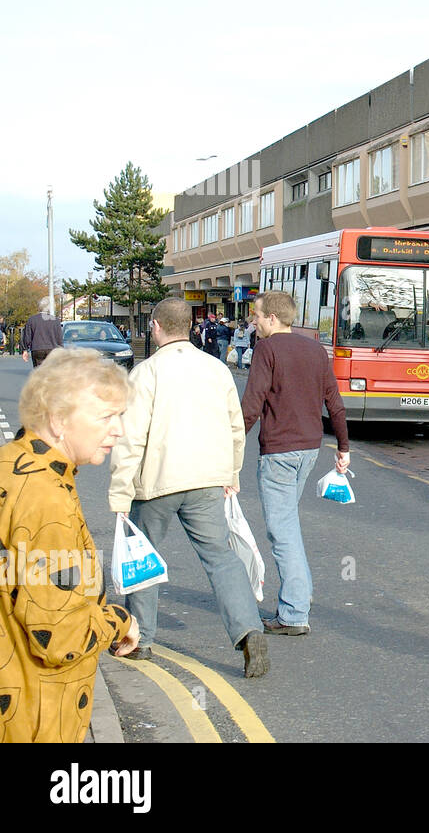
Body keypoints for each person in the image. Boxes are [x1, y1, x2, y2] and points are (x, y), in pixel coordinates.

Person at [108, 297, 269, 677]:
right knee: (221, 558)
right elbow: (236, 426)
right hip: (207, 480)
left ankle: (141, 639)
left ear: (157, 327)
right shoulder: (216, 370)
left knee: (143, 557)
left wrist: (119, 492)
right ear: (190, 327)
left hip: (157, 482)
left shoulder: (146, 374)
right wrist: (231, 473)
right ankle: (248, 630)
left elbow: (130, 438)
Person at [0, 348, 140, 742]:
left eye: (120, 416)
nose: (119, 430)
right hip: (35, 714)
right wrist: (120, 621)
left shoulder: (11, 462)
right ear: (59, 420)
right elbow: (57, 637)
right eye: (105, 417)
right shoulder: (47, 499)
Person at [241, 290, 349, 636]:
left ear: (273, 318)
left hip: (279, 452)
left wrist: (230, 445)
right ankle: (300, 593)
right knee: (288, 523)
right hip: (309, 450)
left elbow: (252, 404)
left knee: (281, 530)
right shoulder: (315, 350)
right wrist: (343, 447)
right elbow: (334, 401)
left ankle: (294, 613)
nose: (253, 321)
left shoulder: (266, 349)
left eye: (256, 315)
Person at [20, 297, 63, 367]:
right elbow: (59, 338)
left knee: (38, 369)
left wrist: (25, 350)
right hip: (52, 349)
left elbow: (27, 336)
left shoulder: (32, 320)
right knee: (51, 370)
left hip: (37, 348)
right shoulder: (56, 321)